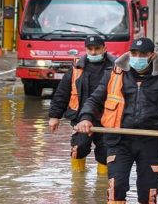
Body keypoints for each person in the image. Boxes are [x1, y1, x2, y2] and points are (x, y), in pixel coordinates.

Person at [75, 37, 158, 204]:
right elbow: (95, 100)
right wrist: (86, 118)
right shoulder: (114, 74)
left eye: (142, 54)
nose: (137, 57)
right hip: (119, 139)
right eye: (134, 53)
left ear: (152, 55)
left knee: (148, 188)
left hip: (151, 141)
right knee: (117, 184)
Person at [49, 35, 116, 175]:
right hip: (80, 118)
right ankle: (77, 183)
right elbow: (62, 93)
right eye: (89, 49)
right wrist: (54, 116)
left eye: (97, 49)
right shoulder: (76, 68)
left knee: (105, 153)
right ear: (85, 49)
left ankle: (101, 185)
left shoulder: (117, 68)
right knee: (79, 148)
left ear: (104, 48)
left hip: (108, 119)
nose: (93, 52)